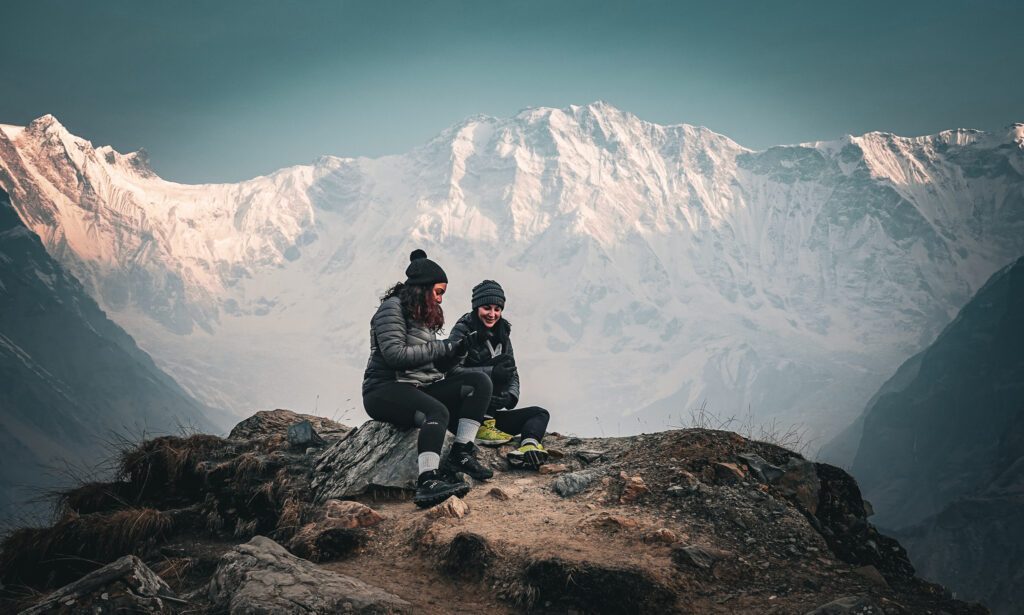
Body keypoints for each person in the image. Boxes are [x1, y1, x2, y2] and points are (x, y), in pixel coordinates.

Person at [362, 250, 495, 508]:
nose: (440, 298)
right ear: (423, 288)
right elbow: (395, 356)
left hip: (418, 386)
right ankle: (427, 481)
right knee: (437, 411)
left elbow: (434, 362)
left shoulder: (422, 314)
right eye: (438, 291)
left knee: (479, 382)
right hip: (384, 389)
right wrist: (442, 347)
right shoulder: (391, 309)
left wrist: (459, 350)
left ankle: (461, 453)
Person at [447, 280, 552, 469]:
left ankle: (528, 446)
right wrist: (491, 372)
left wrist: (509, 397)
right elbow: (451, 371)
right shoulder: (463, 330)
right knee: (498, 365)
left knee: (540, 413)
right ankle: (480, 429)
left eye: (497, 309)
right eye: (487, 308)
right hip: (465, 413)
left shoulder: (503, 332)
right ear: (476, 307)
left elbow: (513, 371)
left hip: (492, 416)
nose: (492, 314)